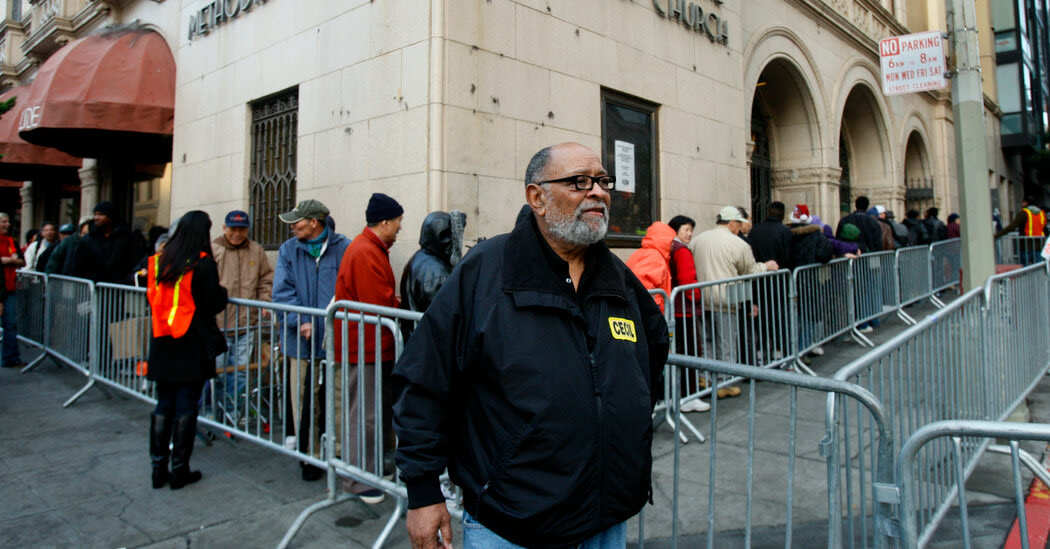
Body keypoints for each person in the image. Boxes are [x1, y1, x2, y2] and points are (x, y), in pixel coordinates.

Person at [392, 142, 669, 549]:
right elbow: (424, 380)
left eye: (602, 181)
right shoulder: (486, 271)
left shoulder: (617, 278)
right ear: (536, 197)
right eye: (579, 181)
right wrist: (422, 490)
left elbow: (652, 353)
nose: (598, 191)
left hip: (607, 519)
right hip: (511, 524)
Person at [145, 211, 229, 490]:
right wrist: (224, 294)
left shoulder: (160, 260)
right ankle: (180, 470)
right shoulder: (202, 264)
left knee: (163, 404)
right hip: (191, 343)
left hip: (163, 340)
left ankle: (158, 469)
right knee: (185, 406)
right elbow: (213, 302)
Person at [332, 192, 404, 504]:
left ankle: (368, 470)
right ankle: (358, 480)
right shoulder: (365, 251)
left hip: (370, 346)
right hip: (364, 347)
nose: (400, 227)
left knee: (370, 412)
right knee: (364, 414)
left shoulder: (370, 248)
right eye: (398, 221)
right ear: (385, 222)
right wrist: (401, 308)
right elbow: (379, 304)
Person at [272, 199, 350, 481]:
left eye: (297, 222)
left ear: (314, 222)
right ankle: (310, 456)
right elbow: (281, 292)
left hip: (335, 341)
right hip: (300, 343)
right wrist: (300, 321)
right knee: (303, 398)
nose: (292, 227)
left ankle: (340, 453)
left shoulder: (345, 247)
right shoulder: (288, 250)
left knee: (338, 397)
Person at [691, 206, 777, 367]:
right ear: (732, 223)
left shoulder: (698, 240)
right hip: (726, 300)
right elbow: (749, 270)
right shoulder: (738, 244)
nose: (739, 228)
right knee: (726, 344)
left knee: (706, 342)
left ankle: (706, 376)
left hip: (702, 299)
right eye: (738, 224)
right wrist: (765, 266)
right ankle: (724, 381)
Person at [211, 210, 274, 410]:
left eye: (242, 229)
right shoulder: (214, 249)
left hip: (248, 323)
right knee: (217, 371)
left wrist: (265, 300)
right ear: (224, 228)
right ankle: (216, 411)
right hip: (219, 324)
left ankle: (234, 411)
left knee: (240, 371)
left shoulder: (256, 250)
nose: (237, 233)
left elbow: (265, 279)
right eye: (233, 229)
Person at [666, 215, 708, 412]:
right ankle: (689, 396)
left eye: (691, 230)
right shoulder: (681, 250)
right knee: (690, 352)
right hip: (684, 310)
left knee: (680, 352)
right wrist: (697, 297)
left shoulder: (669, 247)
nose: (690, 233)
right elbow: (687, 280)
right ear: (675, 230)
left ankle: (681, 395)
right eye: (686, 229)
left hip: (675, 309)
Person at [400, 210, 466, 316]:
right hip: (422, 331)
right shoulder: (436, 273)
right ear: (447, 239)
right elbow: (444, 317)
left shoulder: (419, 257)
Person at [69, 201, 147, 284]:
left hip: (118, 288)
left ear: (111, 216)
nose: (96, 218)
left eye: (101, 214)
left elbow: (136, 260)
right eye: (95, 214)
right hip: (92, 289)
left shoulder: (126, 238)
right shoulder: (86, 240)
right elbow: (77, 267)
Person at [626, 221, 676, 313]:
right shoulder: (655, 256)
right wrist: (657, 307)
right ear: (663, 240)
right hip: (649, 310)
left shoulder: (642, 252)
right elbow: (644, 283)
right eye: (671, 241)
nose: (673, 244)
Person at [0, 212, 25, 368]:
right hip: (1, 288)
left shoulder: (12, 241)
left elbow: (22, 261)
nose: (7, 224)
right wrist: (11, 260)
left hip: (9, 288)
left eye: (8, 221)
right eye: (4, 221)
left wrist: (7, 260)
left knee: (11, 324)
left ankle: (10, 357)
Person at [995, 196, 1047, 264]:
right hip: (1038, 246)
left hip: (1026, 246)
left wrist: (997, 235)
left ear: (1026, 203)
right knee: (1037, 269)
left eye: (1022, 202)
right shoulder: (1041, 214)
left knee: (1025, 270)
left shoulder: (1024, 213)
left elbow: (1012, 226)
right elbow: (1044, 229)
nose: (1021, 204)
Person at [748, 201, 792, 268]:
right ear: (783, 214)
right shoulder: (785, 231)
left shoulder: (754, 229)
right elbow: (787, 255)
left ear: (767, 213)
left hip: (759, 273)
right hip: (779, 273)